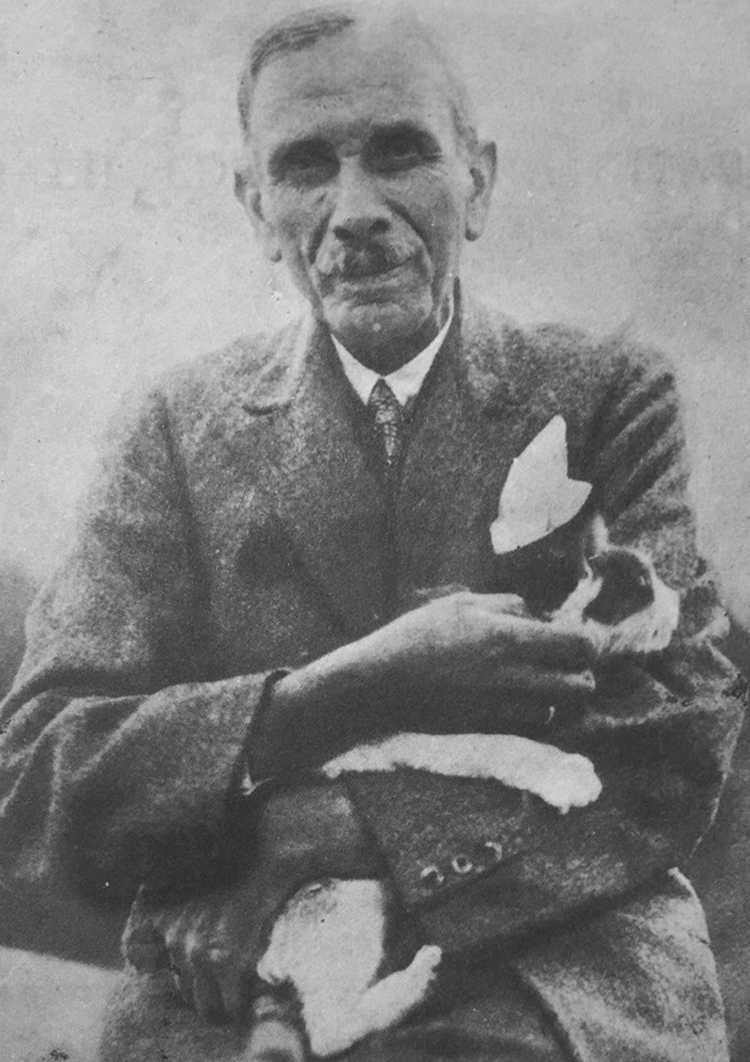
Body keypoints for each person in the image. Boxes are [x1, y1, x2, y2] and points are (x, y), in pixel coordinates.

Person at [0, 3, 745, 1060]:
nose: (354, 211)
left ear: (477, 180)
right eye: (306, 167)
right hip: (236, 980)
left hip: (556, 974)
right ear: (258, 207)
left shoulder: (604, 394)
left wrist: (324, 830)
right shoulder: (173, 430)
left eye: (400, 153)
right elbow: (35, 780)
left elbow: (674, 727)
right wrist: (336, 695)